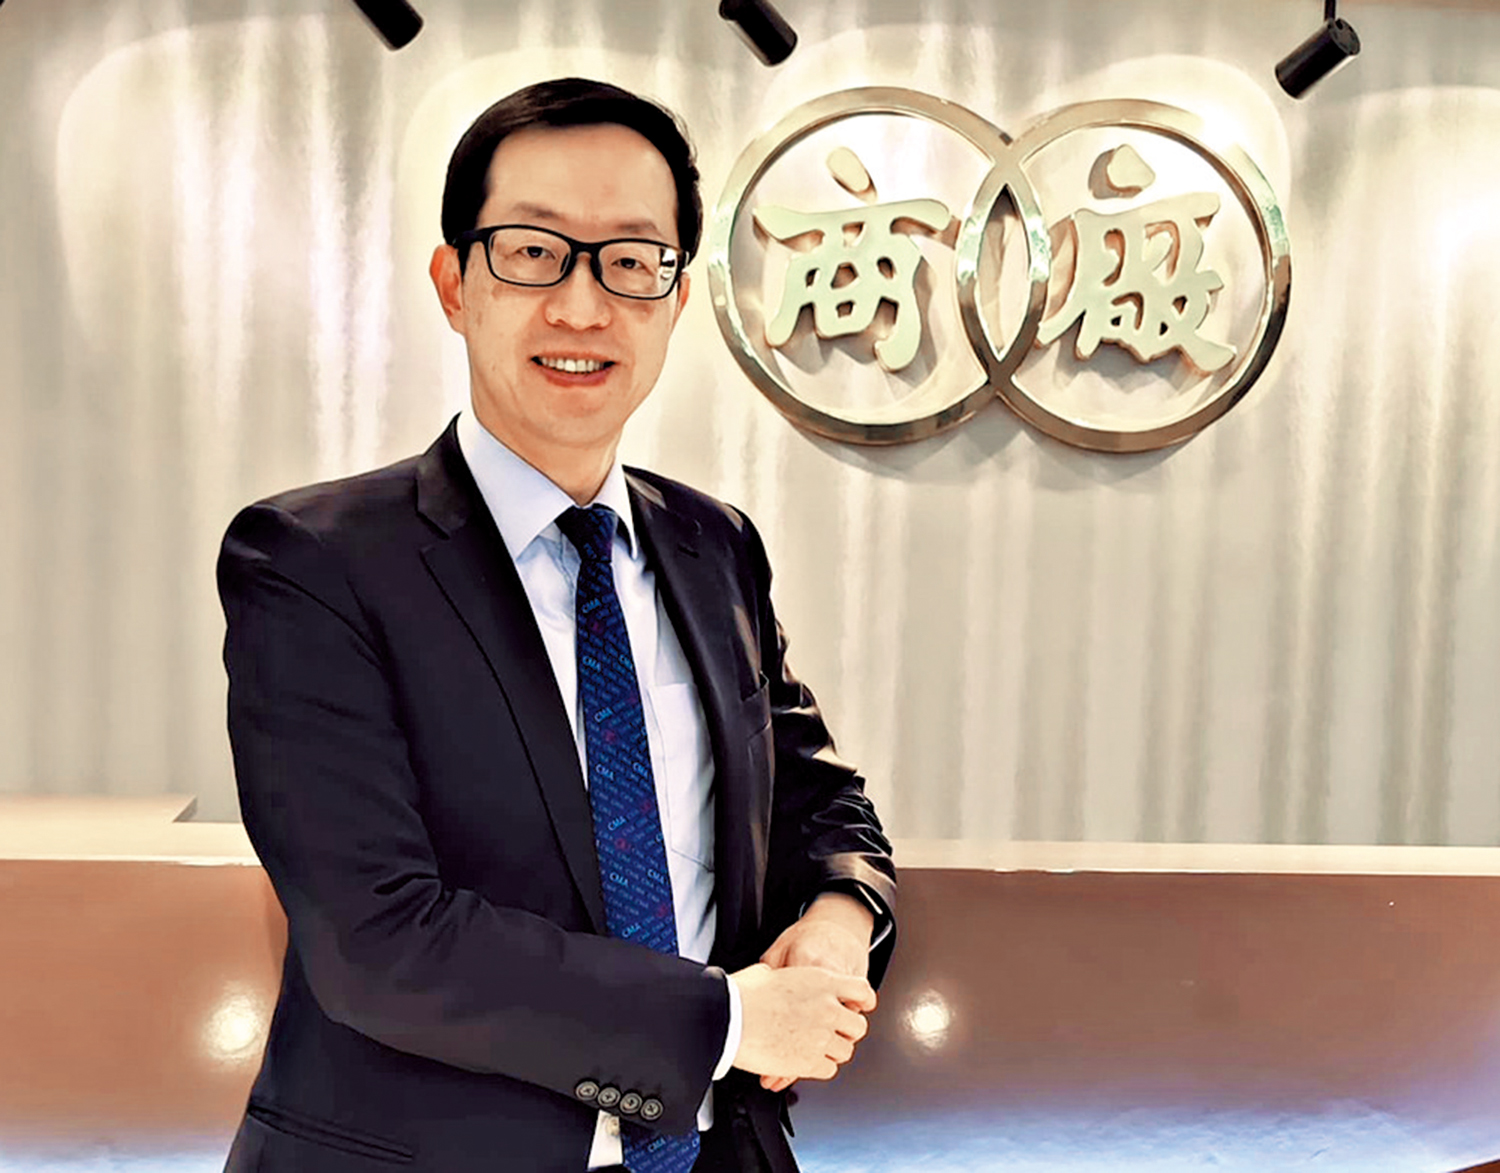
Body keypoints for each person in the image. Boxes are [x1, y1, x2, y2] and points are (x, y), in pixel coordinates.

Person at [217, 77, 896, 1173]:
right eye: (533, 252)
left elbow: (819, 796)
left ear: (676, 301)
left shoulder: (715, 546)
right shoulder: (314, 563)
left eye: (630, 260)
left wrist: (837, 916)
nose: (583, 308)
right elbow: (375, 937)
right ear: (455, 284)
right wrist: (726, 1023)